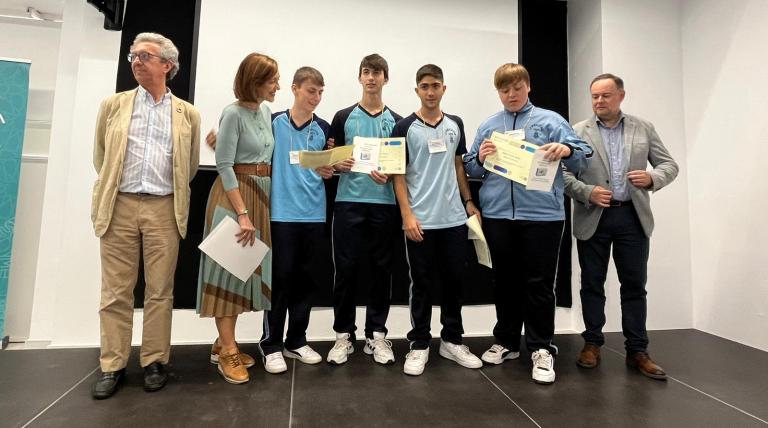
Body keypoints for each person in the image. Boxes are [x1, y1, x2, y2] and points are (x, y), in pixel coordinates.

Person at [463, 63, 592, 385]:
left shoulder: (550, 120)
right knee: (504, 281)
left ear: (528, 86)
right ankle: (506, 342)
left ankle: (541, 346)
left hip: (543, 216)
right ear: (498, 92)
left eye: (516, 88)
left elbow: (583, 155)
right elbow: (470, 169)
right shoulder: (490, 125)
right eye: (504, 90)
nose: (511, 95)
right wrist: (480, 157)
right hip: (498, 216)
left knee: (539, 283)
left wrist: (567, 149)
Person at [90, 32, 200, 399]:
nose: (136, 61)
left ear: (167, 65)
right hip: (119, 205)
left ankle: (154, 360)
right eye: (133, 56)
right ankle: (112, 365)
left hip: (164, 209)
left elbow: (190, 165)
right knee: (115, 292)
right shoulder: (113, 105)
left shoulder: (188, 113)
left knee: (159, 292)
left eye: (145, 56)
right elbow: (101, 157)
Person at [563, 73, 678, 380]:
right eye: (595, 97)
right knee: (592, 284)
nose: (599, 101)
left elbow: (669, 165)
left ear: (621, 96)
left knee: (634, 286)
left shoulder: (643, 128)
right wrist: (587, 192)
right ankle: (592, 344)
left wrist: (653, 178)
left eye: (606, 96)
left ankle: (637, 350)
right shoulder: (577, 132)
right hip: (593, 216)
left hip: (632, 217)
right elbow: (561, 175)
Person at [392, 64, 483, 376]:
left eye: (436, 86)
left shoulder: (455, 124)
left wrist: (469, 201)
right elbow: (398, 175)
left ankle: (452, 341)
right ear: (417, 90)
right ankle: (419, 345)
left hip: (454, 220)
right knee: (422, 285)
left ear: (444, 89)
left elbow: (458, 166)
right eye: (425, 86)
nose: (431, 92)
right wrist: (407, 215)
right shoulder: (403, 127)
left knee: (455, 282)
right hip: (420, 222)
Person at [196, 53, 280, 384]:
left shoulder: (265, 111)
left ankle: (222, 343)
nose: (277, 85)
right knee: (228, 273)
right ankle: (228, 350)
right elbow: (224, 165)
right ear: (254, 81)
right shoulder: (232, 113)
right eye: (272, 79)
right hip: (235, 199)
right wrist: (243, 213)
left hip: (258, 196)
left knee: (244, 273)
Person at [326, 54, 402, 365]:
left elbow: (400, 165)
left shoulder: (397, 120)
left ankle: (377, 335)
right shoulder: (343, 117)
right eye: (366, 72)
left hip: (384, 204)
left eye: (377, 72)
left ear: (386, 78)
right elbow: (330, 160)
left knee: (381, 271)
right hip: (348, 204)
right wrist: (337, 162)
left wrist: (390, 170)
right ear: (359, 78)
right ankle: (344, 335)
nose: (371, 78)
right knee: (345, 271)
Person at [258, 67, 334, 373]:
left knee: (306, 281)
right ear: (294, 89)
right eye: (310, 91)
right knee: (280, 281)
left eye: (320, 92)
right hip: (280, 215)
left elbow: (325, 170)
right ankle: (271, 344)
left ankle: (296, 341)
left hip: (314, 215)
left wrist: (330, 169)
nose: (315, 97)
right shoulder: (272, 121)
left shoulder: (325, 128)